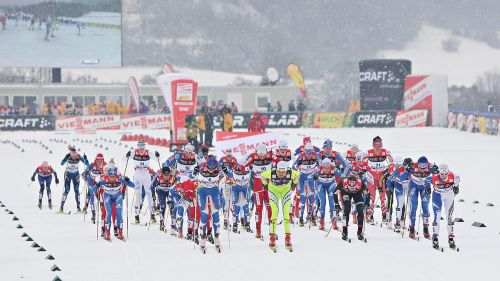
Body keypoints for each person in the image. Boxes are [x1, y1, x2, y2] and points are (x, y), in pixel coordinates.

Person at [192, 155, 230, 253]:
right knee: (204, 214)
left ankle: (217, 238)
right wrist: (194, 171)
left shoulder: (219, 164)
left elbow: (230, 174)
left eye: (214, 169)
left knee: (216, 215)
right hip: (202, 191)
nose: (211, 171)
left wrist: (226, 171)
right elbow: (192, 175)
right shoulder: (201, 165)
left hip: (214, 191)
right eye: (209, 169)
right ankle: (203, 239)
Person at [261, 161, 300, 252]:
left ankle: (288, 237)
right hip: (273, 191)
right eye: (279, 172)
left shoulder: (290, 172)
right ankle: (272, 237)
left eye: (283, 172)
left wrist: (294, 184)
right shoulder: (272, 172)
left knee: (286, 213)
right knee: (275, 212)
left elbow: (298, 174)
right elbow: (262, 175)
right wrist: (265, 185)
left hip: (285, 191)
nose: (281, 174)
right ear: (276, 169)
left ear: (287, 170)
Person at [96, 167, 134, 241]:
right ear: (108, 175)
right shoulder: (104, 179)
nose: (112, 178)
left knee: (119, 213)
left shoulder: (120, 179)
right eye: (111, 176)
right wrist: (97, 186)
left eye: (114, 176)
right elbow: (94, 187)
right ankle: (107, 233)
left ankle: (120, 232)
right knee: (109, 212)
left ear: (116, 175)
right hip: (107, 196)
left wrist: (128, 181)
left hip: (118, 196)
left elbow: (133, 186)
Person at [244, 143, 273, 239]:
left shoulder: (270, 154)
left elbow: (282, 163)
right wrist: (249, 167)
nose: (262, 157)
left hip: (269, 185)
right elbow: (243, 165)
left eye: (263, 155)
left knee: (271, 207)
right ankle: (258, 230)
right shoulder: (253, 156)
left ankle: (271, 230)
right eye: (260, 155)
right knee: (259, 208)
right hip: (258, 185)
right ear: (257, 152)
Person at [362, 136, 393, 223]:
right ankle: (370, 214)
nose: (378, 147)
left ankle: (384, 215)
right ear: (373, 145)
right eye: (376, 145)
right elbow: (363, 161)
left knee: (382, 197)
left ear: (382, 145)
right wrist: (365, 169)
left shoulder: (385, 152)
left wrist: (390, 171)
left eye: (380, 145)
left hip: (381, 177)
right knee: (372, 197)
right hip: (371, 177)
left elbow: (391, 163)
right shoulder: (368, 153)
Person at [400, 156, 432, 239]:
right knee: (413, 206)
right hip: (413, 187)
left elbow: (436, 178)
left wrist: (430, 186)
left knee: (425, 206)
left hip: (425, 187)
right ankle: (412, 228)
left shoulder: (430, 167)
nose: (422, 169)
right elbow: (402, 178)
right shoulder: (412, 166)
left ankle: (426, 228)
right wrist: (407, 171)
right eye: (421, 167)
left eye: (424, 167)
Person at [126, 139, 156, 224]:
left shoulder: (148, 153)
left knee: (149, 194)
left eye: (143, 146)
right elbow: (124, 160)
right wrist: (127, 155)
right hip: (137, 175)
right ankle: (136, 216)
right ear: (138, 146)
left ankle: (152, 215)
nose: (141, 149)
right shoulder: (134, 152)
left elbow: (157, 158)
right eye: (140, 147)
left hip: (146, 175)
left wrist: (157, 155)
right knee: (138, 195)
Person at [431, 164, 460, 249]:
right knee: (437, 216)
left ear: (448, 172)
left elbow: (458, 179)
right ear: (439, 172)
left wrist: (456, 187)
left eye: (445, 174)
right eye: (442, 174)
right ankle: (435, 238)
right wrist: (427, 188)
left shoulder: (453, 176)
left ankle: (451, 238)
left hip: (449, 195)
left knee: (449, 216)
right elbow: (425, 180)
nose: (444, 176)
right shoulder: (434, 177)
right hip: (437, 195)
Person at [292, 143, 321, 226]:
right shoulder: (301, 156)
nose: (309, 154)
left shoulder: (316, 156)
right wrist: (297, 173)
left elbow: (321, 165)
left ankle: (312, 217)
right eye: (307, 152)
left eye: (310, 152)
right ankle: (301, 218)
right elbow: (293, 166)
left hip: (311, 177)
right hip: (302, 177)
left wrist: (317, 173)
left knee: (312, 197)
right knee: (302, 197)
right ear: (305, 151)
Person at [309, 158, 341, 230]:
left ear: (330, 165)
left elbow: (342, 176)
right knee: (323, 203)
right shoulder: (318, 169)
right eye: (325, 167)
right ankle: (321, 221)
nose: (326, 169)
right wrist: (314, 178)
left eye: (328, 167)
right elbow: (309, 176)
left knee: (332, 203)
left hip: (331, 185)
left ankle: (334, 220)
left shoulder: (334, 169)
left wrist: (340, 185)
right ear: (322, 166)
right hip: (321, 185)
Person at [226, 160, 253, 233]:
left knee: (246, 207)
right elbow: (226, 175)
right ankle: (235, 225)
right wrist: (229, 182)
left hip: (245, 189)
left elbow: (254, 169)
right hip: (236, 189)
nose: (241, 174)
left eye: (243, 172)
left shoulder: (248, 170)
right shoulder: (232, 172)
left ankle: (247, 224)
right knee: (236, 207)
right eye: (239, 172)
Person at [339, 173, 367, 241]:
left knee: (360, 210)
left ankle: (359, 232)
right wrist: (337, 204)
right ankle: (344, 231)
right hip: (346, 193)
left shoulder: (360, 183)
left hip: (357, 193)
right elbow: (335, 192)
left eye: (353, 187)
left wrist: (367, 203)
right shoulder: (343, 182)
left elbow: (367, 193)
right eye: (350, 187)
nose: (352, 189)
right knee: (347, 209)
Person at [60, 145, 89, 212]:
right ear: (70, 153)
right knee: (67, 190)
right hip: (68, 174)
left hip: (76, 175)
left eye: (75, 154)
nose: (74, 156)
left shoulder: (78, 156)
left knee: (76, 191)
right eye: (72, 154)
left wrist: (85, 159)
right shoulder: (68, 156)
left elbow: (87, 164)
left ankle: (78, 207)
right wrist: (65, 158)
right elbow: (61, 163)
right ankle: (61, 207)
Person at [82, 153, 106, 224]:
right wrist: (85, 179)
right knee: (92, 196)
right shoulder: (92, 165)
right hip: (91, 182)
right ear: (96, 159)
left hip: (100, 183)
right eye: (98, 160)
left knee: (101, 197)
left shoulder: (105, 165)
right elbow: (84, 173)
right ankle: (93, 214)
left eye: (101, 160)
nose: (99, 161)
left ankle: (103, 213)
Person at [385, 156, 407, 231]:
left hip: (399, 185)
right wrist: (387, 186)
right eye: (396, 165)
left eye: (399, 165)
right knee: (390, 200)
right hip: (391, 184)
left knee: (401, 201)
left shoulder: (404, 169)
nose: (397, 166)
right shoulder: (390, 168)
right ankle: (389, 219)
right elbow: (386, 177)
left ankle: (401, 220)